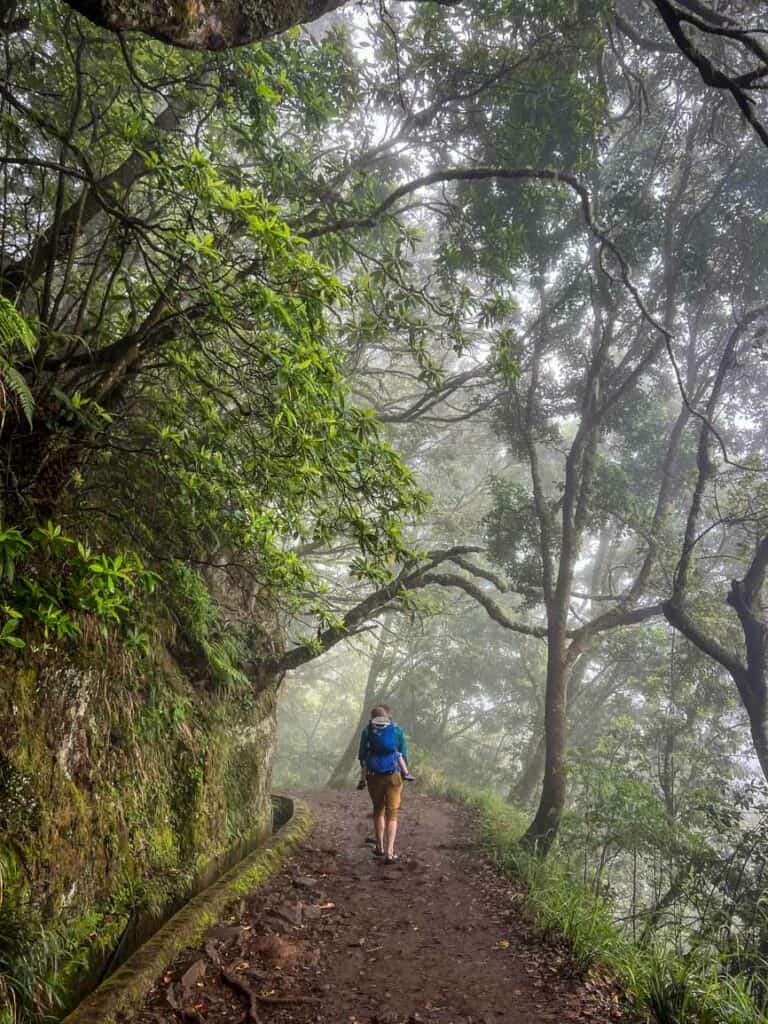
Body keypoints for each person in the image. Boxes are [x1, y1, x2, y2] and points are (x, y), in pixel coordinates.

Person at [356, 705, 411, 864]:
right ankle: (390, 852)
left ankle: (379, 847)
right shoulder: (397, 730)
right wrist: (403, 771)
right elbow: (404, 753)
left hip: (374, 776)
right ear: (388, 716)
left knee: (378, 810)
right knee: (392, 812)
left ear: (372, 718)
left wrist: (364, 774)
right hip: (393, 775)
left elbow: (362, 755)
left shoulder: (367, 731)